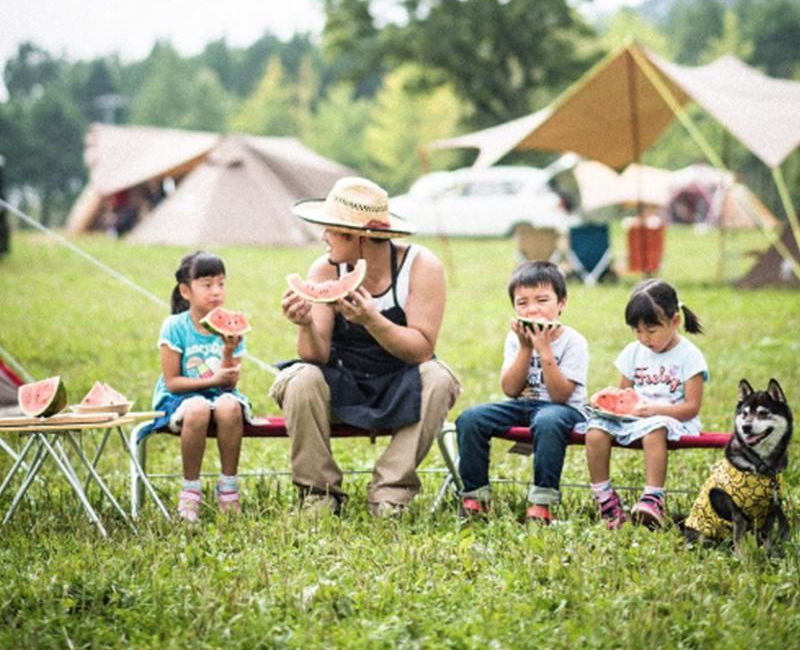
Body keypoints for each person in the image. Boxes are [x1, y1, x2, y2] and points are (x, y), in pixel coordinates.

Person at [271, 176, 460, 517]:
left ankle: (390, 492)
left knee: (439, 378)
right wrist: (305, 324)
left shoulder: (421, 266)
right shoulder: (325, 268)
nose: (323, 237)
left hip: (400, 383)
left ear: (358, 236)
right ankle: (318, 494)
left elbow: (421, 350)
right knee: (300, 378)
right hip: (344, 383)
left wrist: (372, 319)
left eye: (330, 229)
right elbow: (316, 356)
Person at [455, 260, 589, 525]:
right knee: (470, 419)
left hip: (564, 410)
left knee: (547, 420)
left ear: (561, 303)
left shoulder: (573, 341)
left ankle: (542, 501)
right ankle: (475, 495)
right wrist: (526, 348)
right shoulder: (516, 339)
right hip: (524, 405)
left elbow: (561, 395)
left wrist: (545, 351)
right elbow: (510, 389)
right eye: (523, 303)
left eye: (542, 300)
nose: (533, 309)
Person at [585, 278, 708, 529]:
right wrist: (606, 402)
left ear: (675, 321)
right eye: (637, 331)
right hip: (635, 420)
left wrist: (653, 410)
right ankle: (606, 499)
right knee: (595, 432)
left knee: (654, 429)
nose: (644, 338)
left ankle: (653, 499)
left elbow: (691, 407)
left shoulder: (690, 356)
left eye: (651, 331)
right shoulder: (633, 352)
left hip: (673, 420)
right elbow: (623, 395)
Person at [148, 250, 253, 522]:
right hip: (178, 398)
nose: (216, 291)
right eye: (207, 285)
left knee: (229, 405)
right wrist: (212, 380)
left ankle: (228, 487)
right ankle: (190, 490)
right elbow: (172, 382)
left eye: (221, 283)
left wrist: (229, 351)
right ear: (186, 291)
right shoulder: (174, 327)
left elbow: (230, 384)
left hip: (220, 395)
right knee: (196, 408)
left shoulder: (232, 328)